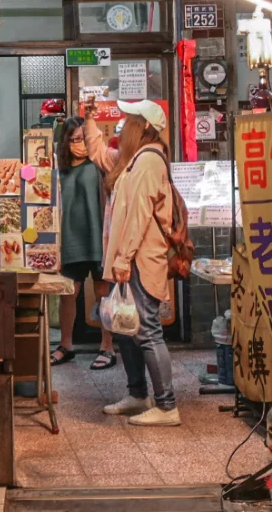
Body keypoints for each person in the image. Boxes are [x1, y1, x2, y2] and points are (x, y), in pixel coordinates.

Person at [100, 99, 180, 427]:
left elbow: (138, 215)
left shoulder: (149, 160)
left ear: (145, 125)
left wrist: (123, 257)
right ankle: (137, 394)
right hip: (129, 260)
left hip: (139, 260)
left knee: (146, 330)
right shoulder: (136, 160)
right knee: (126, 327)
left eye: (131, 118)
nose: (125, 124)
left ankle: (167, 406)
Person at [49, 115, 118, 371]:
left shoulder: (100, 165)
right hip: (70, 239)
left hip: (99, 237)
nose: (79, 144)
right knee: (69, 293)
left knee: (103, 293)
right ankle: (66, 345)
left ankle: (107, 347)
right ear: (64, 143)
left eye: (82, 139)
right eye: (73, 140)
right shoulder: (58, 169)